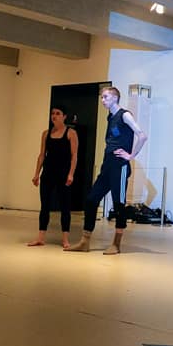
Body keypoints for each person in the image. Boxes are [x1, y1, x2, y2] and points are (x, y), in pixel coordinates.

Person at [66, 87, 147, 255]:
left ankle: (116, 244)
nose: (103, 100)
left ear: (115, 98)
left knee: (119, 204)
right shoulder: (110, 117)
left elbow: (142, 135)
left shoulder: (125, 115)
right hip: (107, 166)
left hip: (120, 166)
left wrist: (131, 155)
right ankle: (85, 241)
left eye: (106, 97)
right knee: (91, 200)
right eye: (101, 97)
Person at [27, 106, 79, 249]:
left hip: (63, 174)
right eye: (53, 113)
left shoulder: (71, 133)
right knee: (45, 206)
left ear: (64, 116)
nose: (54, 116)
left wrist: (71, 174)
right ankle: (41, 237)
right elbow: (42, 155)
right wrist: (36, 174)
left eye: (58, 113)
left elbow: (74, 156)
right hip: (48, 173)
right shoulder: (46, 134)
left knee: (65, 206)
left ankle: (65, 239)